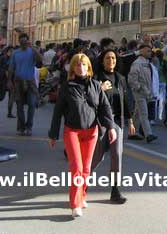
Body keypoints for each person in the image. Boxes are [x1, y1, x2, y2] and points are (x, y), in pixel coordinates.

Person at [48, 54, 117, 218]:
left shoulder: (95, 85)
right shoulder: (67, 87)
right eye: (78, 65)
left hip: (91, 132)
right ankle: (75, 204)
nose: (81, 68)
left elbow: (104, 108)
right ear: (72, 68)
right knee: (77, 168)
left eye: (84, 65)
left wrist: (111, 127)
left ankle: (82, 195)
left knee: (86, 169)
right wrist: (53, 134)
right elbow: (57, 112)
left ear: (89, 67)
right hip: (72, 131)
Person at [91, 49, 135, 203]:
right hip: (100, 123)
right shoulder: (95, 79)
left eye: (114, 58)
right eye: (108, 58)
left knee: (117, 154)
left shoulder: (120, 78)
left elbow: (124, 100)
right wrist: (99, 89)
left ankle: (115, 190)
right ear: (102, 61)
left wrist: (130, 120)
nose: (111, 61)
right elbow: (88, 100)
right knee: (98, 157)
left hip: (116, 123)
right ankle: (81, 179)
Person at [8, 34, 43, 136]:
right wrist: (9, 80)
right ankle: (21, 127)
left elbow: (40, 59)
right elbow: (11, 67)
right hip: (18, 81)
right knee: (19, 105)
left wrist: (32, 47)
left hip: (30, 81)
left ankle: (29, 127)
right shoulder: (15, 53)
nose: (23, 43)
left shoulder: (32, 51)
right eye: (21, 41)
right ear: (19, 42)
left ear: (27, 41)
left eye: (25, 41)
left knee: (31, 104)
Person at [127, 44, 158, 143]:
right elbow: (132, 78)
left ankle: (133, 132)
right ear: (142, 52)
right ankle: (148, 134)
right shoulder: (137, 63)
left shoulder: (147, 63)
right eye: (148, 51)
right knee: (144, 113)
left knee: (137, 113)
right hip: (140, 92)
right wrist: (139, 87)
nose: (150, 53)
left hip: (145, 91)